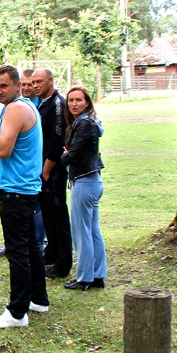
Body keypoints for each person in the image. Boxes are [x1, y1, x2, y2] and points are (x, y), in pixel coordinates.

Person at [0, 64, 49, 328]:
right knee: (30, 247)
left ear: (18, 85)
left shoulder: (17, 108)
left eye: (4, 85)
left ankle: (17, 313)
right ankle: (38, 299)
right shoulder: (20, 107)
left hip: (17, 190)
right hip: (24, 188)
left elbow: (3, 149)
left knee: (18, 251)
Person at [60, 87, 107, 290]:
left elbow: (73, 154)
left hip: (85, 180)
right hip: (92, 180)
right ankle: (97, 275)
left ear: (87, 102)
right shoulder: (88, 121)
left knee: (82, 232)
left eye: (78, 100)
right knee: (92, 230)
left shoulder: (84, 123)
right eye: (71, 100)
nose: (74, 104)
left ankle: (85, 278)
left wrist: (63, 156)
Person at [33, 68, 72, 280]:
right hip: (41, 169)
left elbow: (58, 140)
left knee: (58, 215)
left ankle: (63, 262)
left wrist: (46, 170)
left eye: (40, 81)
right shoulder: (41, 104)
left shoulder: (58, 104)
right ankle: (52, 253)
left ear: (50, 81)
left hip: (52, 169)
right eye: (33, 82)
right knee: (47, 213)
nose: (36, 85)